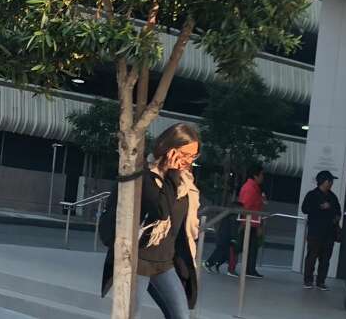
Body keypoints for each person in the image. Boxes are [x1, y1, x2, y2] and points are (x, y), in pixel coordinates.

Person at [99, 123, 201, 319]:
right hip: (138, 260)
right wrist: (171, 174)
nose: (189, 161)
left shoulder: (185, 181)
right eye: (185, 154)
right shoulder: (146, 177)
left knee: (181, 316)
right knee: (130, 316)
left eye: (193, 156)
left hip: (165, 262)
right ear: (169, 149)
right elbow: (162, 211)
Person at [301, 170, 341, 290]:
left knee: (325, 259)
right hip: (315, 232)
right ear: (324, 181)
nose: (331, 183)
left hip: (329, 232)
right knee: (311, 257)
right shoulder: (312, 195)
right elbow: (305, 209)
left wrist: (337, 217)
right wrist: (320, 207)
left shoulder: (333, 197)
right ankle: (308, 280)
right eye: (330, 181)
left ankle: (321, 281)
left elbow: (338, 211)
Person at [236, 165, 266, 279]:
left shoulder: (254, 188)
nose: (263, 177)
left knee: (251, 247)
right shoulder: (251, 188)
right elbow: (247, 206)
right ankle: (249, 269)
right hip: (250, 222)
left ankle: (250, 269)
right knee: (250, 247)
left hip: (252, 221)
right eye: (261, 174)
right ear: (255, 175)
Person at [203, 201, 241, 275]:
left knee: (224, 253)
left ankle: (215, 264)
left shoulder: (228, 215)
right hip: (225, 238)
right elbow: (233, 228)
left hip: (223, 237)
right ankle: (208, 263)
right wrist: (234, 238)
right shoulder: (233, 217)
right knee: (220, 251)